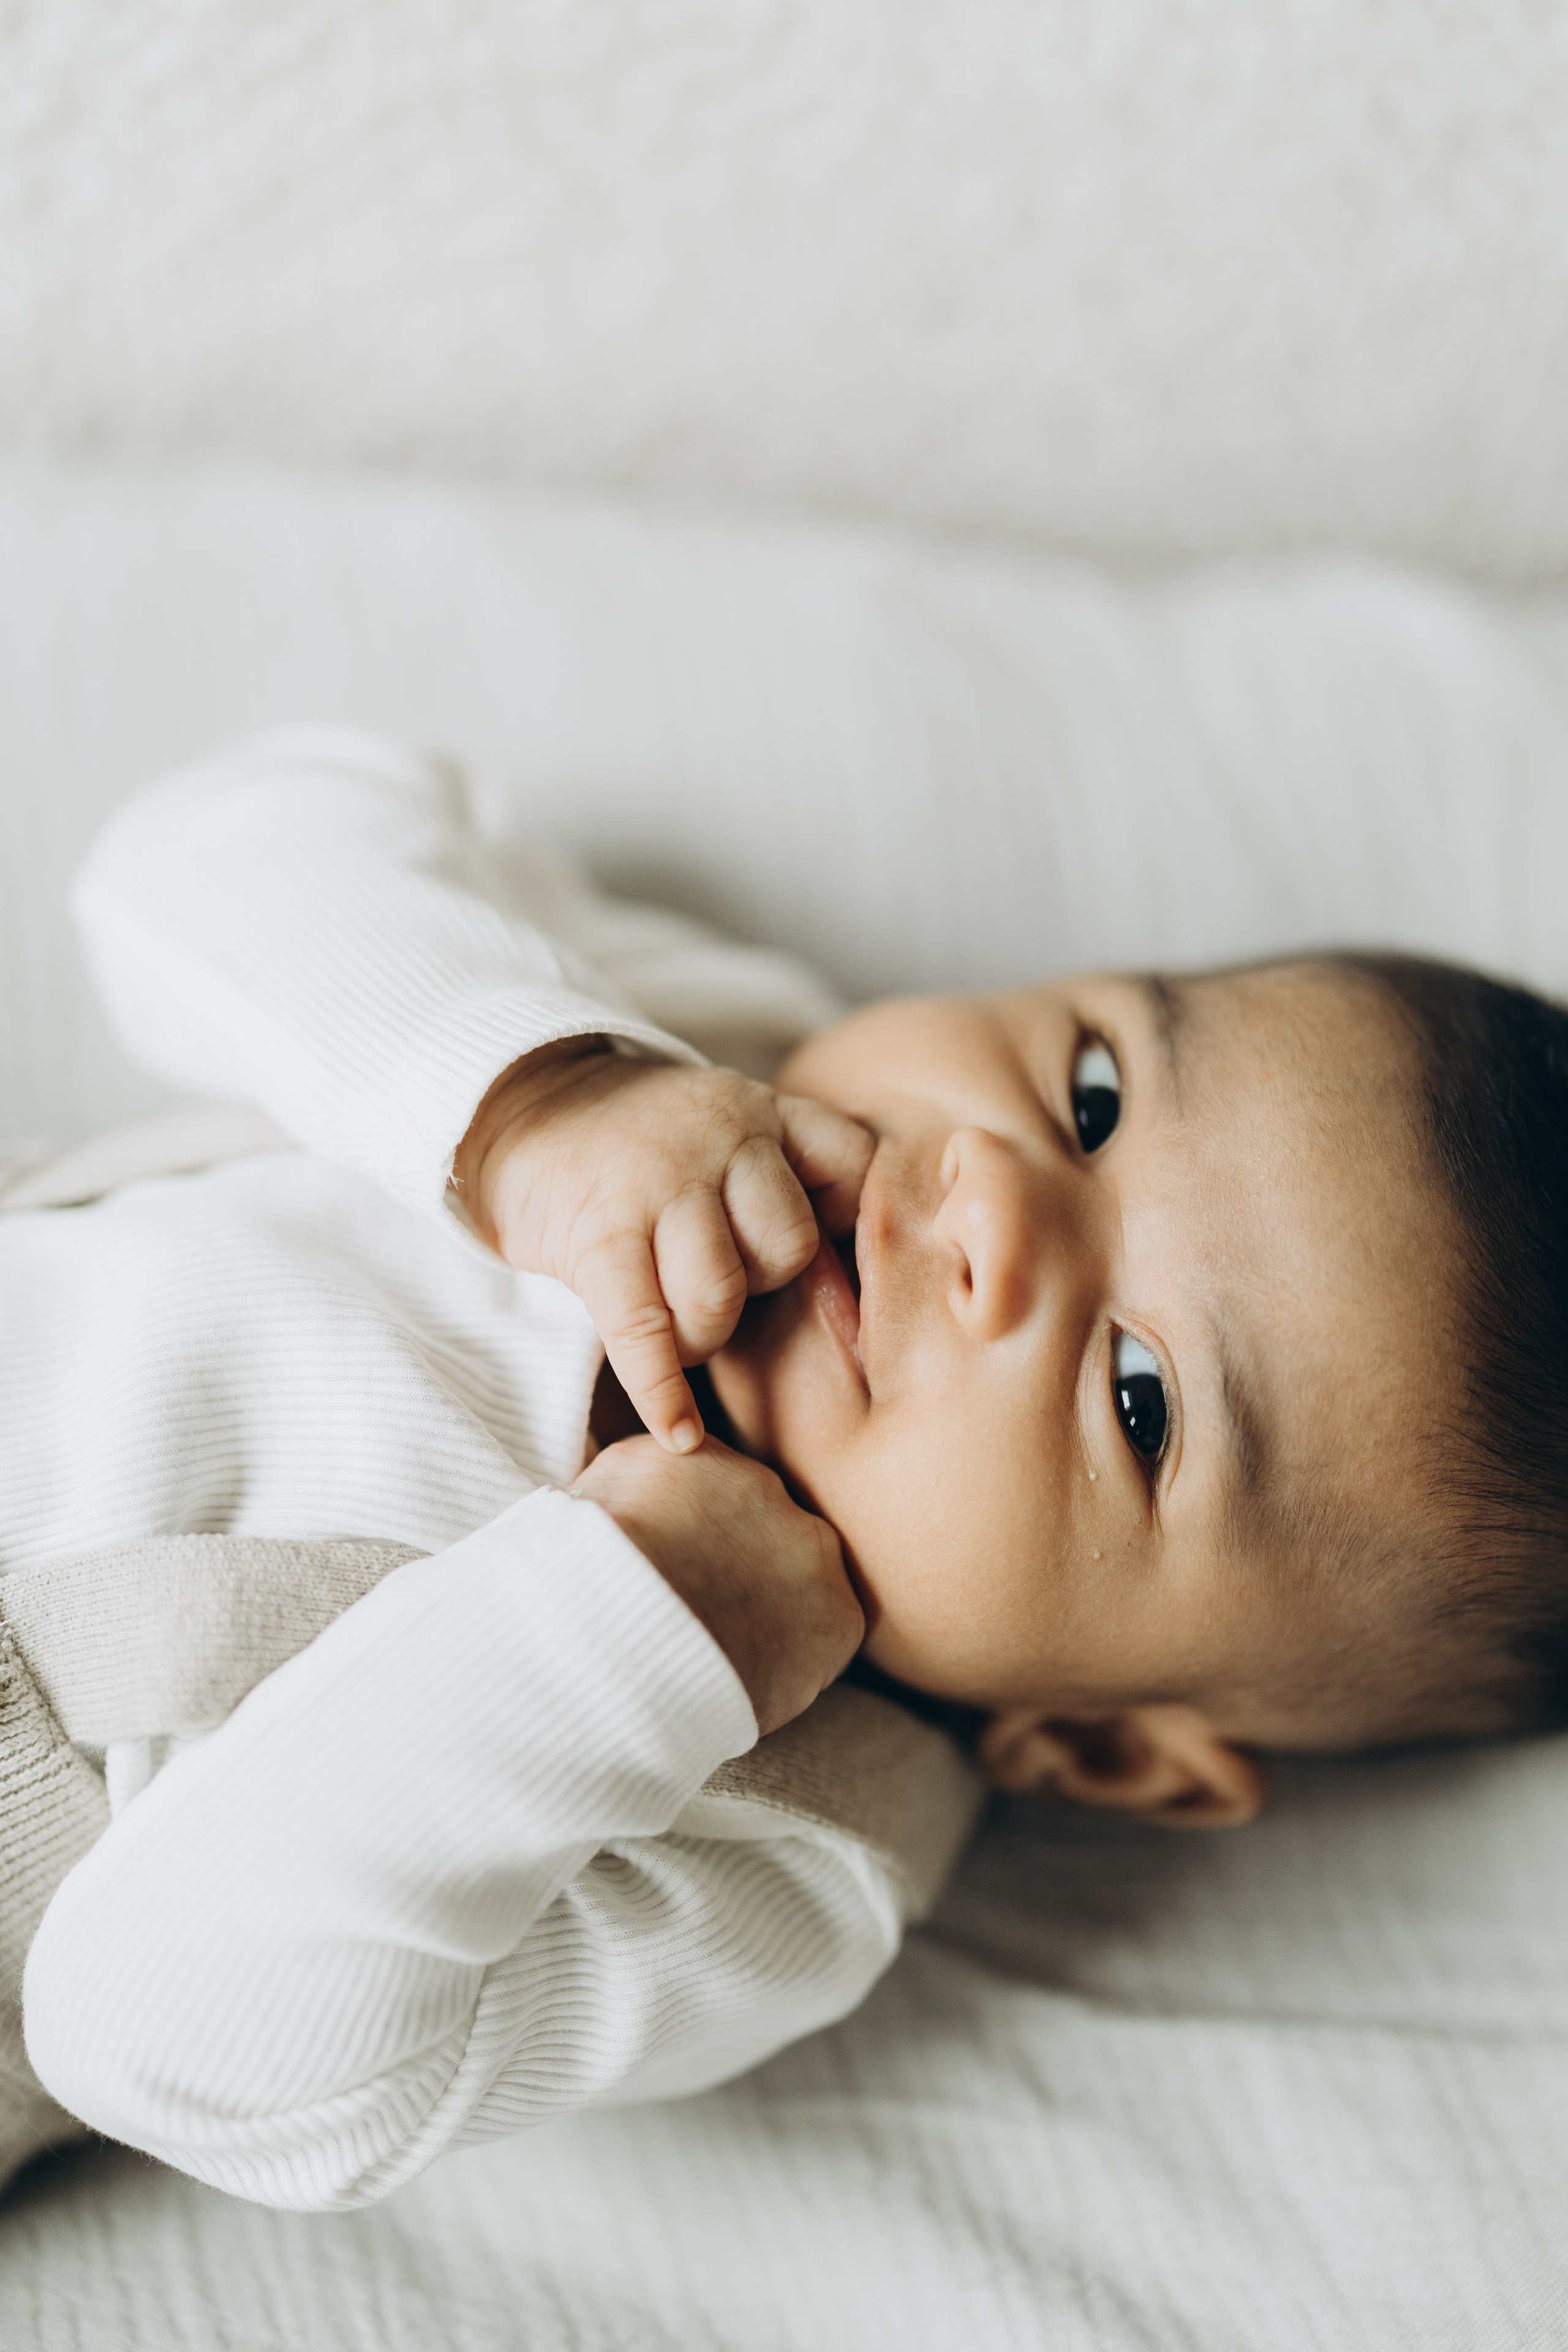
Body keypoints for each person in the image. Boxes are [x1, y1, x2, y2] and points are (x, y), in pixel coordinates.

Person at [15, 726, 1568, 2209]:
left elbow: (154, 2047)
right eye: (1090, 1095)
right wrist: (537, 1094)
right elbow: (191, 857)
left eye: (1140, 1399)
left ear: (1099, 1748)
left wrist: (613, 1645)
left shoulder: (789, 1860)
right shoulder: (685, 1047)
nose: (995, 1206)